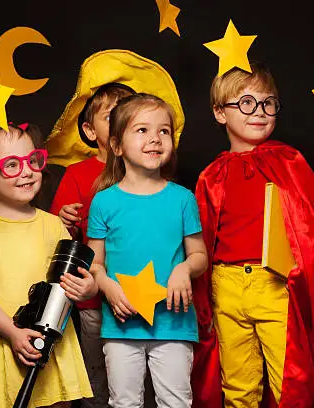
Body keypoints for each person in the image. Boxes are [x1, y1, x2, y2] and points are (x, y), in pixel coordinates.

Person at [194, 62, 314, 407]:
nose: (260, 112)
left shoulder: (290, 162)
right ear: (220, 113)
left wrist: (298, 270)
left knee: (290, 381)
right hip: (227, 286)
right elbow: (200, 239)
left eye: (268, 103)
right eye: (247, 103)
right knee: (238, 386)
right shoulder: (211, 175)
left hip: (275, 285)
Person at [47, 49, 190, 407]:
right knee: (106, 385)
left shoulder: (169, 189)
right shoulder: (82, 179)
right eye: (113, 117)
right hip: (98, 302)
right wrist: (63, 219)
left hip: (162, 312)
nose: (124, 121)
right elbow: (57, 237)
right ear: (93, 131)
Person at [0, 123, 95, 407]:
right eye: (11, 165)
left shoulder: (54, 223)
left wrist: (88, 286)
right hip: (8, 338)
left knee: (56, 400)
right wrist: (13, 332)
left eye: (31, 160)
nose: (27, 171)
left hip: (51, 339)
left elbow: (77, 277)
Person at [87, 93, 208, 408]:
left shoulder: (183, 199)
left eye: (164, 131)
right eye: (142, 130)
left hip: (174, 324)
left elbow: (199, 256)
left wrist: (184, 269)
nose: (155, 138)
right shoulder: (104, 201)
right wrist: (109, 289)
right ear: (116, 146)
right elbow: (94, 263)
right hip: (121, 326)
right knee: (124, 402)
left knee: (176, 401)